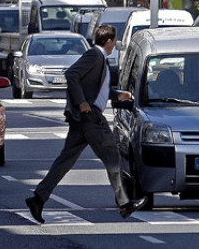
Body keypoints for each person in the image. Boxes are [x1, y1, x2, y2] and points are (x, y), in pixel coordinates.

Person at [25, 24, 144, 224]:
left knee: (66, 160)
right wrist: (82, 104)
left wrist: (117, 94)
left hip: (84, 120)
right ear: (108, 42)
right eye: (114, 41)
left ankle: (38, 199)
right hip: (91, 119)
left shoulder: (99, 59)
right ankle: (124, 204)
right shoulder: (95, 56)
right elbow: (72, 75)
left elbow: (94, 89)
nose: (115, 45)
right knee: (112, 157)